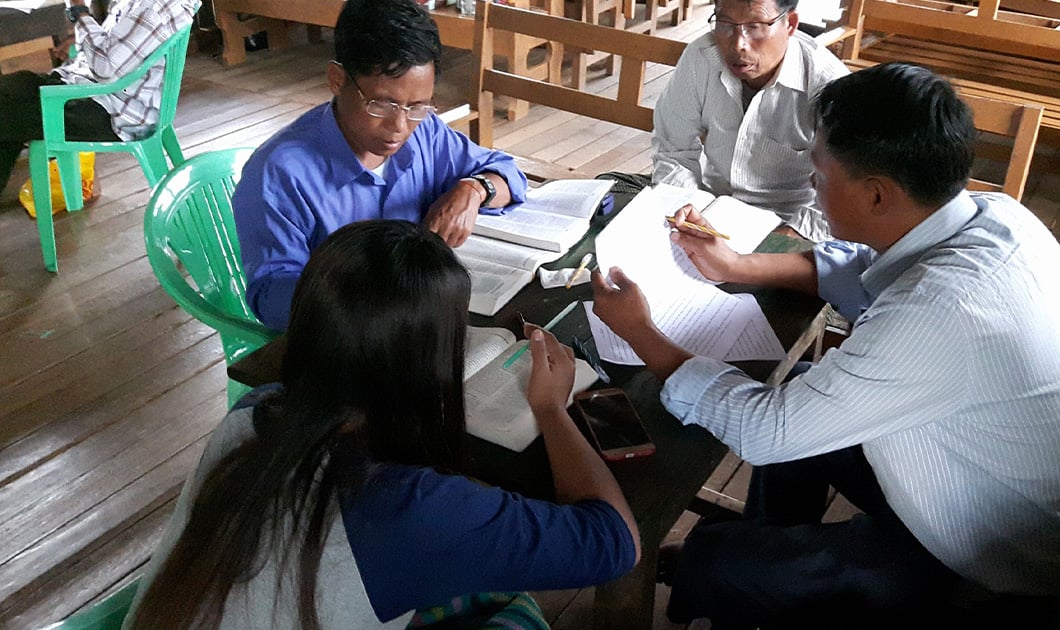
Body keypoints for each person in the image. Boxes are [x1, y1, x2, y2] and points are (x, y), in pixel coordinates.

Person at [591, 63, 1060, 628]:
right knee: (797, 397)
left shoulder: (938, 312)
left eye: (820, 175)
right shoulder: (997, 217)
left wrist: (642, 333)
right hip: (1003, 480)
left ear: (875, 194)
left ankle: (740, 579)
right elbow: (872, 268)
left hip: (1000, 568)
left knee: (714, 556)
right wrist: (738, 265)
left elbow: (767, 433)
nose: (814, 191)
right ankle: (770, 561)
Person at [125, 220, 639, 628]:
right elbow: (617, 542)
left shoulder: (254, 412)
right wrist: (551, 408)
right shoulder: (409, 508)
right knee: (517, 612)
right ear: (429, 362)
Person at [232, 0, 528, 331]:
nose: (400, 127)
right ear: (336, 79)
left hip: (422, 323)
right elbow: (272, 299)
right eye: (382, 104)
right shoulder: (278, 176)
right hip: (342, 344)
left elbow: (508, 174)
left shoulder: (426, 132)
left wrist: (474, 189)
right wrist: (367, 296)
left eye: (417, 106)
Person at [647, 0, 848, 240]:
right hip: (710, 208)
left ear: (790, 24)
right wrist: (689, 216)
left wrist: (785, 238)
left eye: (755, 26)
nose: (738, 44)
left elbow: (845, 188)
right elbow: (673, 151)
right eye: (725, 23)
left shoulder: (828, 84)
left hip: (788, 222)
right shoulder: (701, 58)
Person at [0, 0, 198, 195]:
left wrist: (79, 11)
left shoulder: (155, 6)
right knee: (15, 93)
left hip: (112, 111)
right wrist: (87, 39)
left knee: (9, 106)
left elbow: (106, 68)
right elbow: (119, 47)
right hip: (97, 91)